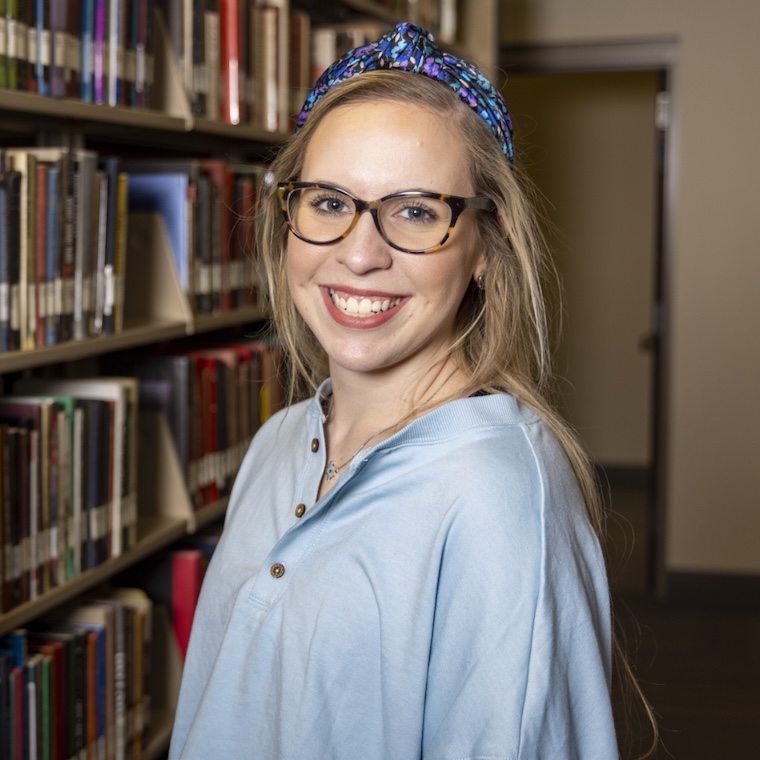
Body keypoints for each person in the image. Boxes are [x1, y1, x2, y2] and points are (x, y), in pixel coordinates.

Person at [169, 22, 629, 759]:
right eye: (328, 201)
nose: (359, 252)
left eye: (415, 211)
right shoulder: (278, 443)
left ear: (487, 244)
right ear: (288, 216)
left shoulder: (496, 495)